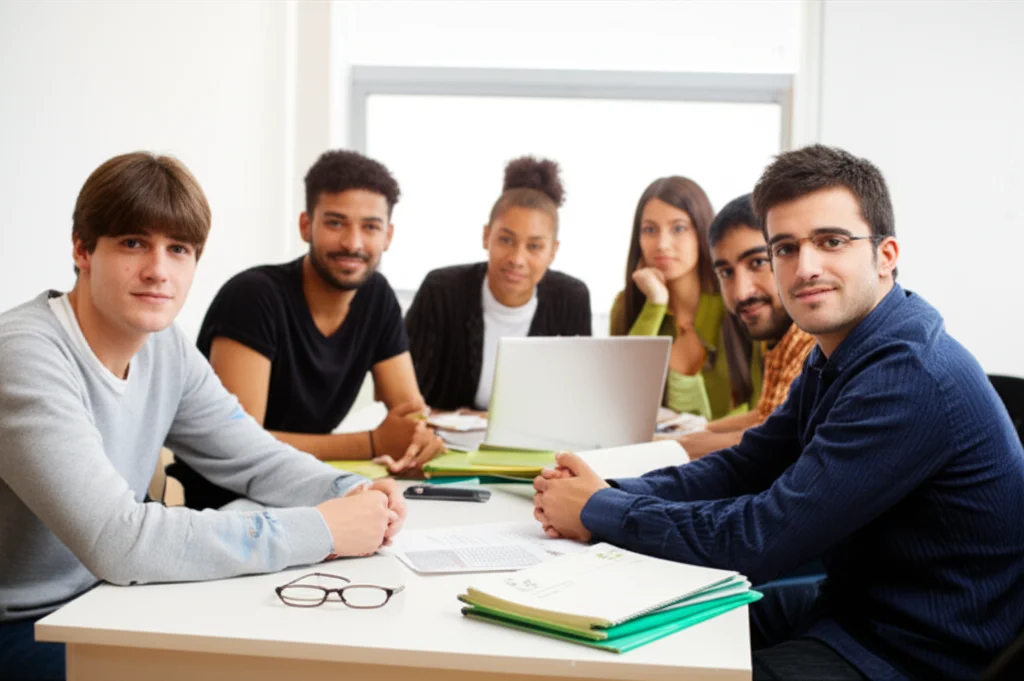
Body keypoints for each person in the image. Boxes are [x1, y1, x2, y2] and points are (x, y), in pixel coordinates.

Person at [532, 145, 1024, 680]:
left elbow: (758, 539)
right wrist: (605, 489)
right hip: (851, 610)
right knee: (622, 634)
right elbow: (746, 465)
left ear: (886, 255)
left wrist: (598, 509)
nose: (805, 267)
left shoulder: (907, 376)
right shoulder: (838, 352)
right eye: (785, 248)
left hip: (914, 651)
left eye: (831, 241)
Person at [0, 152, 406, 681]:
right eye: (132, 243)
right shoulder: (25, 354)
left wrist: (350, 490)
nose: (157, 270)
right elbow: (119, 541)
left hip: (104, 605)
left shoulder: (164, 347)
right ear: (82, 249)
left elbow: (253, 457)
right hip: (23, 624)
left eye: (179, 249)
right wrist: (322, 529)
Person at [167, 150, 443, 511]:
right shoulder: (253, 296)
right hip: (230, 504)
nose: (353, 243)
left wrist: (418, 439)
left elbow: (409, 412)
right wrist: (373, 443)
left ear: (388, 235)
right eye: (335, 223)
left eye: (370, 227)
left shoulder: (377, 297)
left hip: (307, 491)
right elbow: (240, 445)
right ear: (305, 225)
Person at [406, 156, 591, 411]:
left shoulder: (570, 299)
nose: (517, 259)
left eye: (534, 246)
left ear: (553, 251)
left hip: (534, 447)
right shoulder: (441, 291)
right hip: (443, 444)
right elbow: (407, 398)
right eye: (506, 240)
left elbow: (574, 401)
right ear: (486, 237)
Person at [677, 194, 815, 458]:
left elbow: (775, 442)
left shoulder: (813, 338)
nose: (741, 292)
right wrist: (695, 431)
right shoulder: (776, 334)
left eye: (758, 263)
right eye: (726, 273)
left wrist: (671, 447)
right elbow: (766, 414)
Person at [610, 176, 758, 421]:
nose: (662, 244)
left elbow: (762, 414)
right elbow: (621, 398)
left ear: (702, 231)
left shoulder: (737, 301)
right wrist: (655, 304)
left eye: (678, 228)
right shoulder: (626, 305)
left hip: (731, 454)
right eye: (650, 229)